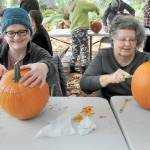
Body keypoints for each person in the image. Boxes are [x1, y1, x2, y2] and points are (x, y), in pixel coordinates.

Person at [80, 15, 150, 101]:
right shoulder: (103, 56)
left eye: (132, 40)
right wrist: (110, 78)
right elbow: (84, 84)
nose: (127, 44)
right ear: (113, 39)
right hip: (107, 107)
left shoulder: (146, 60)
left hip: (136, 106)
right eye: (122, 40)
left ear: (137, 41)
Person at [0, 8, 56, 91]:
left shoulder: (38, 52)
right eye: (11, 33)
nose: (17, 37)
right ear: (4, 36)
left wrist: (45, 67)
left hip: (32, 100)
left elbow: (52, 64)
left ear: (30, 33)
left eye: (22, 32)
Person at [66, 0, 99, 73]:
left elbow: (66, 17)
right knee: (85, 49)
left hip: (73, 30)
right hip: (81, 29)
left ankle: (72, 67)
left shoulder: (71, 4)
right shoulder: (81, 2)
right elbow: (93, 6)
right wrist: (97, 11)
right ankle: (84, 68)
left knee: (76, 49)